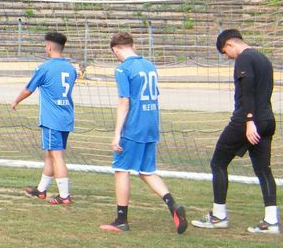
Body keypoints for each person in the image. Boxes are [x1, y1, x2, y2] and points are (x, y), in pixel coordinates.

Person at [192, 29, 279, 234]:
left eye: (225, 52)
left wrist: (249, 120)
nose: (226, 57)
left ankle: (219, 216)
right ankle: (271, 221)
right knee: (263, 170)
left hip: (247, 120)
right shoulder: (263, 58)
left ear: (230, 45)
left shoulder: (244, 59)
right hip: (267, 119)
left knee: (218, 162)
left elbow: (247, 89)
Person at [102, 32, 188, 234]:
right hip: (151, 124)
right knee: (146, 171)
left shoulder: (123, 69)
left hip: (134, 125)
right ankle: (172, 206)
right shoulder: (149, 66)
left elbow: (125, 101)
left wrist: (117, 133)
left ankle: (121, 220)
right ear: (133, 45)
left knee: (121, 169)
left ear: (115, 50)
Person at [11, 31, 76, 205]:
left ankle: (64, 196)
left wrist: (16, 100)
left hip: (51, 119)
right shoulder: (71, 68)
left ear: (48, 47)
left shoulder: (44, 68)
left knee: (56, 156)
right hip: (66, 117)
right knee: (49, 154)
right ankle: (41, 190)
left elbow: (29, 89)